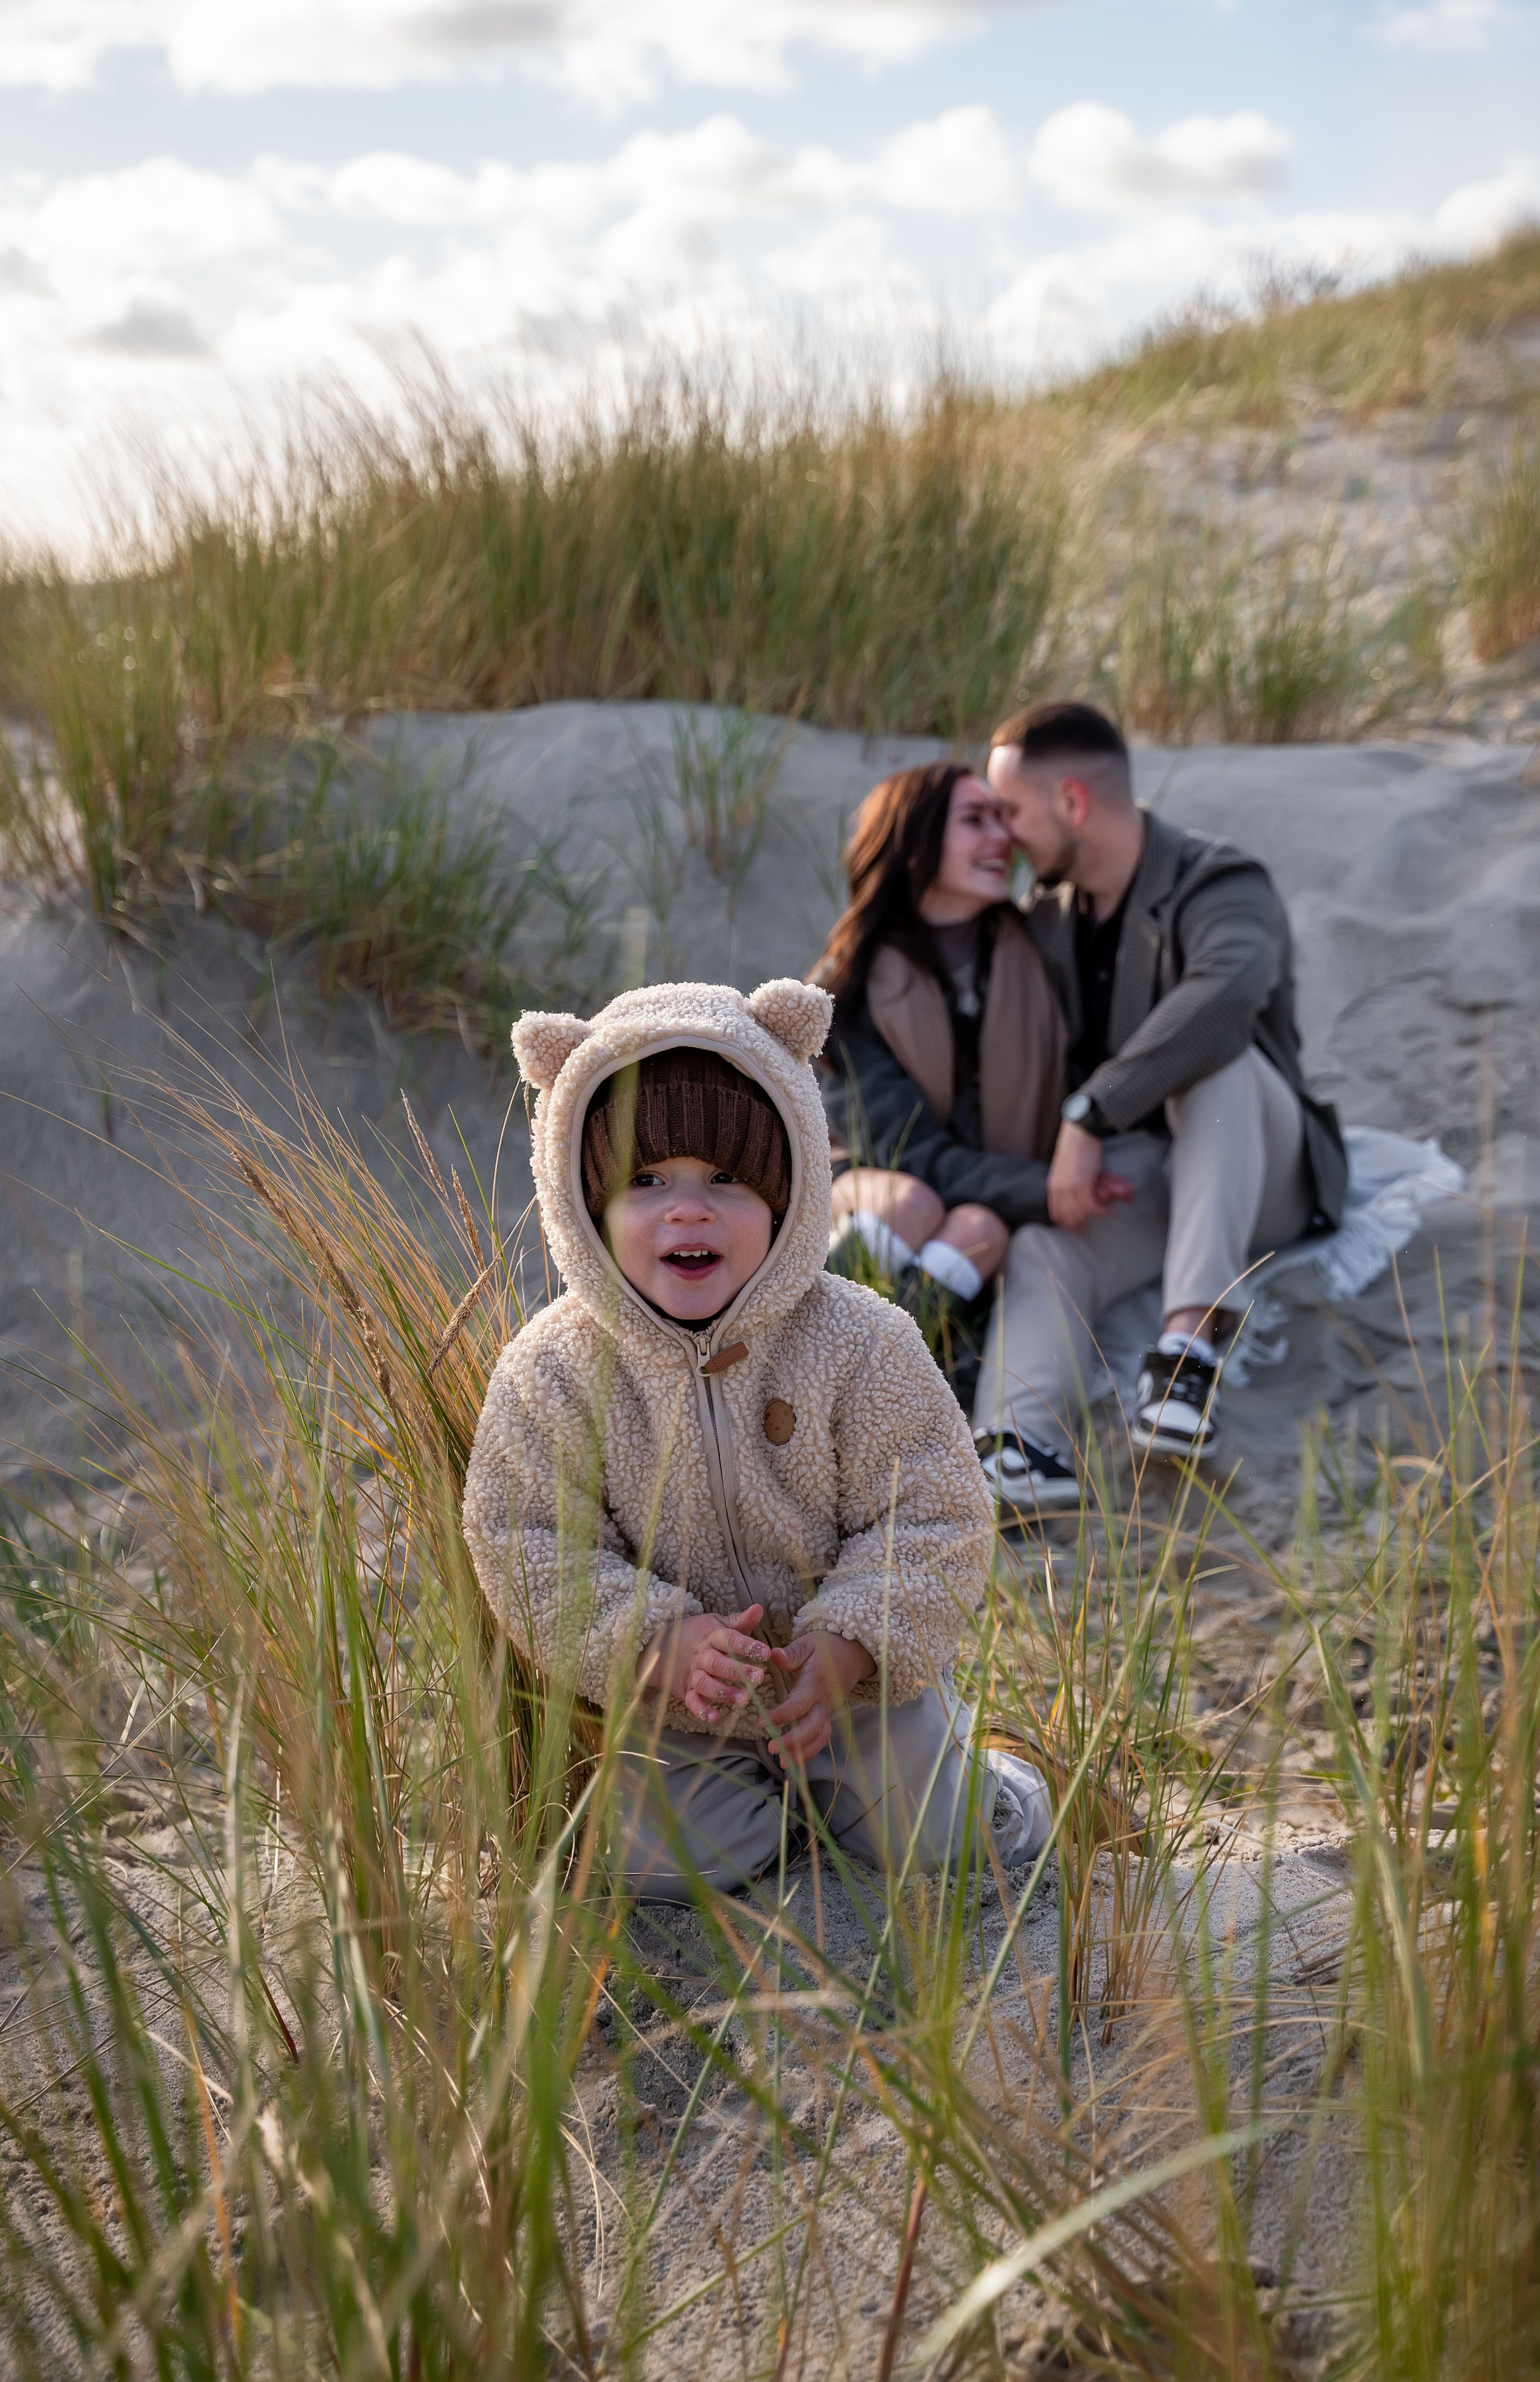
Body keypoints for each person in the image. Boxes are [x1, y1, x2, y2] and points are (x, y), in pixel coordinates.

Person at [462, 975, 1052, 1899]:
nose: (686, 1210)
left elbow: (939, 1511)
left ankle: (998, 1781)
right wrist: (657, 1640)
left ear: (790, 1191)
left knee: (942, 1837)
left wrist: (855, 1640)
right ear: (582, 1201)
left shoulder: (861, 1341)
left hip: (857, 1694)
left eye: (726, 1180)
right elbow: (525, 1541)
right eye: (644, 1181)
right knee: (655, 1869)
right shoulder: (555, 1369)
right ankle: (778, 1814)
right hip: (682, 1711)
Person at [974, 700, 1347, 1510]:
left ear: (1072, 802)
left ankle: (1184, 1358)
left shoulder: (1220, 881)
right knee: (1047, 1244)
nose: (1002, 835)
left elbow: (1227, 995)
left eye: (1011, 811)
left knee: (1220, 1060)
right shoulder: (1047, 918)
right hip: (1148, 1172)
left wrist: (1089, 1113)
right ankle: (1020, 1446)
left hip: (1261, 1167)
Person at [810, 763, 1069, 1333]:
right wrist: (1047, 1189)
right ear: (913, 848)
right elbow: (903, 1152)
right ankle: (787, 1341)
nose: (1002, 837)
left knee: (980, 1231)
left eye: (1002, 819)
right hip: (866, 1182)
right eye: (975, 821)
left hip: (989, 1201)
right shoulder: (847, 986)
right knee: (911, 1204)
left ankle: (881, 1365)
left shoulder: (1040, 954)